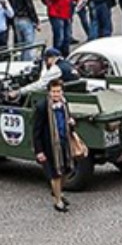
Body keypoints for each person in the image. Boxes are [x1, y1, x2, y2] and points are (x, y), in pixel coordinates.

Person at [30, 77, 83, 214]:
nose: (56, 94)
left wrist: (71, 123)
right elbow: (36, 131)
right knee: (55, 175)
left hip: (64, 143)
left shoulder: (64, 104)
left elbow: (68, 119)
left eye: (58, 91)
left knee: (67, 170)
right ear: (49, 92)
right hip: (50, 147)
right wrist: (39, 151)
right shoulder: (42, 107)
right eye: (53, 91)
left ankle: (57, 192)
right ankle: (58, 201)